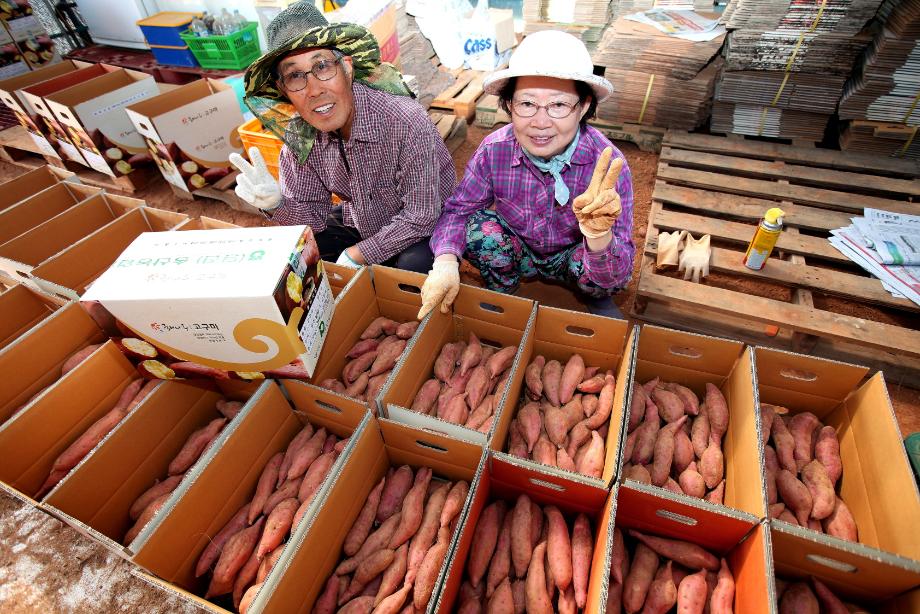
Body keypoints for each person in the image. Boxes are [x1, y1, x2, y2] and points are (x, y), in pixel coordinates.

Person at [417, 30, 635, 319]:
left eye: (558, 105)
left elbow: (621, 273)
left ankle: (591, 294)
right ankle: (504, 290)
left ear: (583, 108)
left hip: (574, 258)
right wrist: (445, 262)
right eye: (527, 104)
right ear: (509, 105)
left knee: (602, 267)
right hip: (520, 251)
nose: (540, 122)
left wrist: (598, 236)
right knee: (480, 229)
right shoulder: (495, 150)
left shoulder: (607, 167)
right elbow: (458, 212)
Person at [231, 2, 456, 272]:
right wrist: (277, 203)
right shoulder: (301, 137)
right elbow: (311, 218)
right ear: (283, 89)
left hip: (426, 223)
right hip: (362, 218)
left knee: (415, 267)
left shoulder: (405, 121)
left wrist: (359, 254)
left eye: (323, 66)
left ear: (346, 68)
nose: (314, 90)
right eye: (294, 76)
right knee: (300, 257)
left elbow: (422, 216)